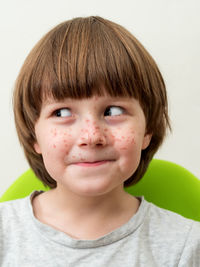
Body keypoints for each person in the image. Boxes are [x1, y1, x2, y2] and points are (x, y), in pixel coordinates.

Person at [0, 16, 199, 266]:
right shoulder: (4, 236)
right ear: (33, 135)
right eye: (61, 113)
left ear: (147, 129)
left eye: (113, 111)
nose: (91, 137)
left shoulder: (185, 245)